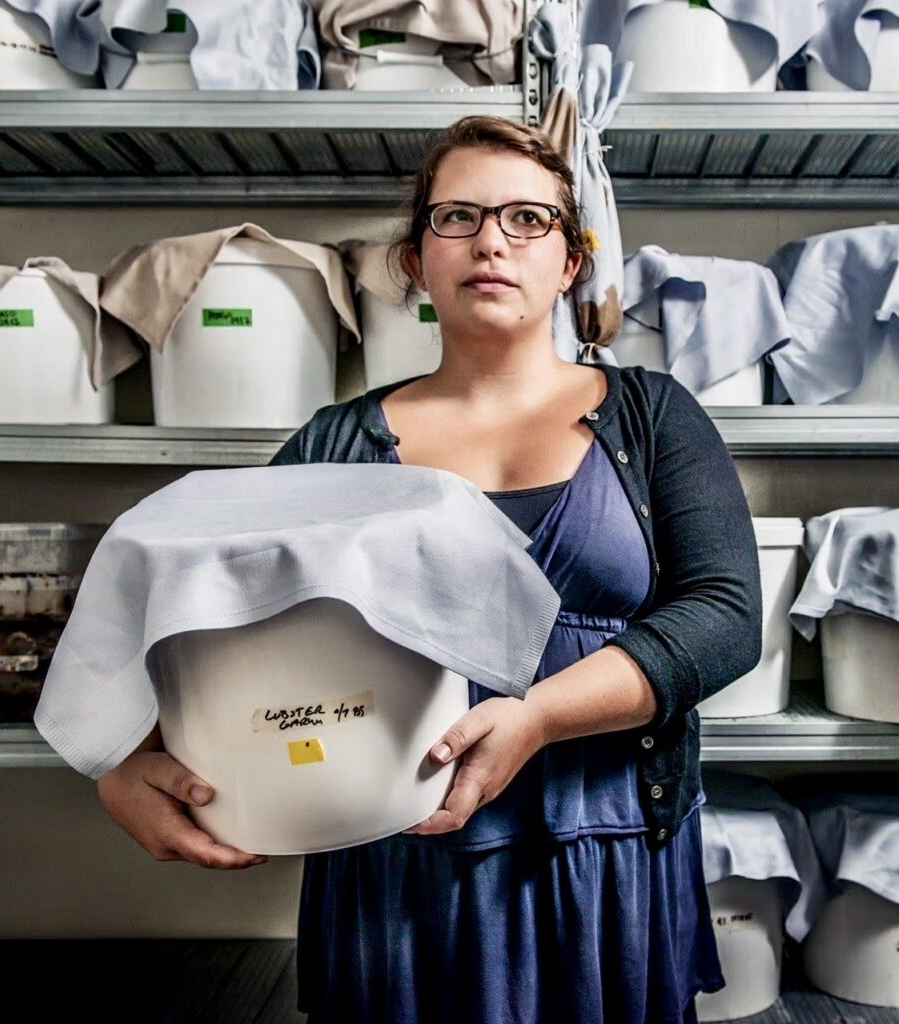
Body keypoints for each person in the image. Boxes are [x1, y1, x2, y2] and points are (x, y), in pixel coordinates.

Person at [96, 116, 762, 1024]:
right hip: (397, 866)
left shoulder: (652, 418)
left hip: (605, 852)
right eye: (458, 216)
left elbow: (725, 616)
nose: (492, 239)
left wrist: (537, 718)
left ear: (570, 261)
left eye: (529, 219)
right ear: (416, 260)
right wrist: (122, 764)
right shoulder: (334, 446)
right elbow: (205, 618)